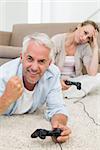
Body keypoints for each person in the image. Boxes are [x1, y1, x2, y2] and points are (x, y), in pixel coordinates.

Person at [0, 32, 71, 143]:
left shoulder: (53, 73)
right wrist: (6, 98)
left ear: (49, 63)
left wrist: (59, 126)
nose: (34, 67)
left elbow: (57, 108)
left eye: (41, 61)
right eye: (30, 59)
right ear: (21, 57)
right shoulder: (4, 75)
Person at [51, 20, 100, 98]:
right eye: (85, 32)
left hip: (74, 81)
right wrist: (57, 81)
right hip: (55, 79)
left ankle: (67, 92)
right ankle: (68, 92)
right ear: (79, 26)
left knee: (98, 78)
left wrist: (95, 47)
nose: (84, 38)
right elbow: (48, 66)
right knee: (45, 79)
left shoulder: (85, 47)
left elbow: (92, 73)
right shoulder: (57, 40)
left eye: (88, 38)